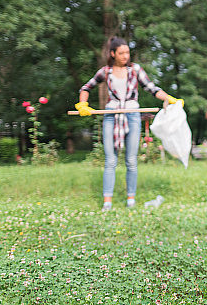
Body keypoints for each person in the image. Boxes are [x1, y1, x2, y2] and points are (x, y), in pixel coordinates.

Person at [75, 37, 183, 211]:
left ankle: (131, 200)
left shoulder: (135, 70)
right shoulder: (105, 71)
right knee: (110, 160)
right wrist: (83, 104)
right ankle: (107, 202)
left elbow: (151, 88)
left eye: (127, 52)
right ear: (113, 54)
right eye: (121, 53)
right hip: (111, 115)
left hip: (132, 115)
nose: (125, 56)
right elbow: (86, 87)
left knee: (131, 160)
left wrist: (170, 99)